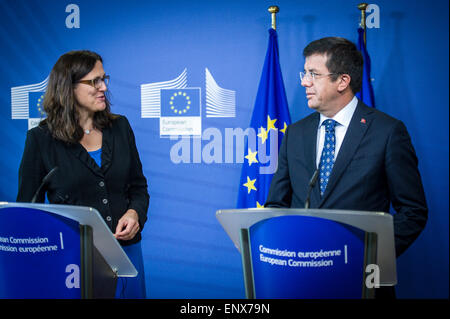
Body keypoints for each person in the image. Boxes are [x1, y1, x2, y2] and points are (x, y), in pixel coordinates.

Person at [265, 37, 428, 298]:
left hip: (362, 284)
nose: (304, 82)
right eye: (304, 73)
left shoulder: (387, 132)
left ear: (342, 81)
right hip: (300, 282)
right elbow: (276, 204)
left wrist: (366, 256)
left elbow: (413, 211)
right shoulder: (295, 133)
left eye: (313, 74)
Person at [16, 50, 150, 299]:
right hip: (71, 261)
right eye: (93, 81)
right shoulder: (40, 140)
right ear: (68, 88)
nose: (103, 87)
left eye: (104, 79)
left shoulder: (120, 127)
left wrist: (135, 214)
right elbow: (27, 211)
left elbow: (138, 188)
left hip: (128, 254)